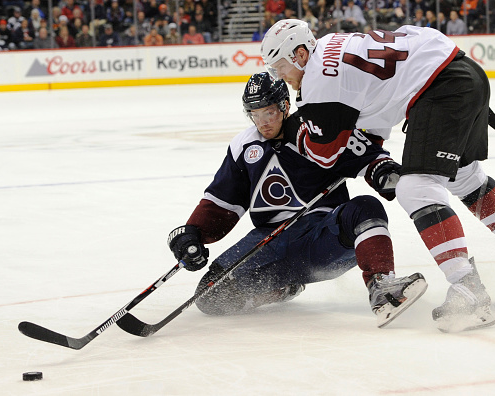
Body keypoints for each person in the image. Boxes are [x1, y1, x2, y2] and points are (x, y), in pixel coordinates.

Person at [260, 19, 495, 332]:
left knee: (415, 188)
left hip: (440, 89)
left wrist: (305, 135)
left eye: (279, 65)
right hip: (465, 71)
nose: (279, 74)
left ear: (300, 54)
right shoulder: (334, 44)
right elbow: (372, 105)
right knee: (463, 176)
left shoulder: (319, 80)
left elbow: (324, 153)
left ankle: (468, 290)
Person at [167, 72, 427, 325]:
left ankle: (383, 286)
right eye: (255, 114)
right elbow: (222, 201)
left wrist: (381, 169)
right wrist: (194, 233)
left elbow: (365, 155)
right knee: (211, 295)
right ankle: (282, 287)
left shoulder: (316, 130)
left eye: (269, 112)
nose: (263, 122)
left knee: (365, 207)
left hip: (323, 239)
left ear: (284, 106)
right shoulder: (244, 146)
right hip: (270, 243)